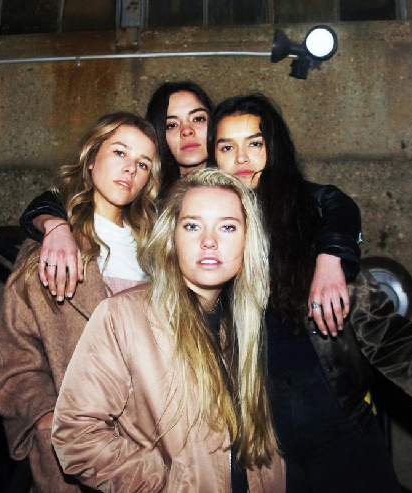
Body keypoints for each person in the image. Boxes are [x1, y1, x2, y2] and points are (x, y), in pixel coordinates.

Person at [209, 94, 412, 492]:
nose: (242, 158)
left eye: (255, 143)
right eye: (227, 147)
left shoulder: (312, 229)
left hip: (333, 409)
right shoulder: (207, 237)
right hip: (255, 423)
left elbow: (384, 332)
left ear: (275, 147)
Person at [20, 81, 359, 337]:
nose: (186, 131)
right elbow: (66, 195)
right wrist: (55, 226)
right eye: (171, 124)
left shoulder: (246, 182)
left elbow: (331, 201)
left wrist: (331, 258)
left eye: (198, 118)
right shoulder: (148, 196)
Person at [51, 169, 285, 492]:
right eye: (192, 226)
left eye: (227, 227)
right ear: (172, 238)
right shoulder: (123, 317)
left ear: (248, 240)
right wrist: (167, 485)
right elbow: (76, 434)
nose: (209, 241)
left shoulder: (243, 324)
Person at [0, 112, 161, 493]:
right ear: (92, 158)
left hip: (150, 449)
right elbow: (12, 356)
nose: (130, 169)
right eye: (120, 152)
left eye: (143, 163)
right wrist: (45, 421)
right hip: (74, 458)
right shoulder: (50, 248)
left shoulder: (159, 253)